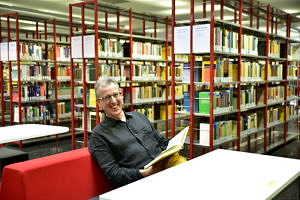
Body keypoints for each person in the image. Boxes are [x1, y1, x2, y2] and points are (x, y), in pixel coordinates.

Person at [88, 78, 186, 188]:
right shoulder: (99, 135)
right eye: (107, 97)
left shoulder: (139, 117)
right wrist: (144, 173)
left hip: (167, 165)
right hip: (142, 181)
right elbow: (113, 173)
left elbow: (161, 142)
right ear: (99, 103)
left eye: (116, 95)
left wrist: (174, 146)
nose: (114, 101)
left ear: (121, 95)